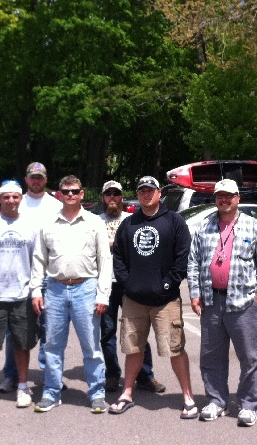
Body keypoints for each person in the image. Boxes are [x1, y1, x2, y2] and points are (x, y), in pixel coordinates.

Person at [109, 176, 197, 419]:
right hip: (133, 300)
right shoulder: (129, 224)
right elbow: (118, 257)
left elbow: (183, 256)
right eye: (142, 191)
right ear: (137, 195)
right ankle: (127, 393)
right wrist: (128, 283)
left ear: (159, 193)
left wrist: (169, 282)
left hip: (165, 300)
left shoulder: (174, 221)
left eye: (150, 190)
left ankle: (188, 397)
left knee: (175, 348)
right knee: (132, 348)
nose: (146, 194)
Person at [187, 179, 257, 427]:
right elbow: (193, 262)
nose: (224, 200)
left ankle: (248, 404)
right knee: (211, 355)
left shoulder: (253, 226)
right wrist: (194, 292)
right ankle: (216, 400)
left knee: (248, 356)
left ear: (238, 198)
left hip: (243, 302)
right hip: (211, 300)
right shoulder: (204, 227)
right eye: (219, 196)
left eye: (228, 196)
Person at [30, 175, 111, 413]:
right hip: (54, 288)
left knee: (91, 346)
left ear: (82, 194)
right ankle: (51, 392)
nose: (70, 196)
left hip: (86, 288)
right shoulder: (48, 223)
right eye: (65, 192)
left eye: (75, 191)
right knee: (52, 345)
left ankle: (97, 393)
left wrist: (102, 295)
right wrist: (36, 290)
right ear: (59, 194)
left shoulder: (95, 222)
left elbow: (105, 260)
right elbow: (38, 259)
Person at [0, 161, 62, 393]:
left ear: (46, 180)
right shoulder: (15, 200)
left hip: (47, 275)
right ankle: (11, 375)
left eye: (40, 177)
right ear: (26, 179)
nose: (36, 181)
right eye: (32, 177)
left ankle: (50, 375)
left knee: (49, 328)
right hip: (19, 275)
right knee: (13, 330)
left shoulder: (56, 205)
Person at [0, 180, 38, 410]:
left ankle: (22, 386)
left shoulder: (31, 225)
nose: (11, 201)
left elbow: (37, 260)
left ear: (21, 198)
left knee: (22, 345)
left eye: (15, 196)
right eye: (6, 197)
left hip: (22, 294)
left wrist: (36, 290)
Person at [98, 180, 165, 394]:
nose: (112, 198)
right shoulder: (94, 222)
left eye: (116, 194)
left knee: (138, 332)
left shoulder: (132, 220)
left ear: (122, 197)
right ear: (103, 198)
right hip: (103, 285)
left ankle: (145, 376)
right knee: (107, 332)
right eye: (108, 194)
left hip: (130, 284)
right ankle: (112, 374)